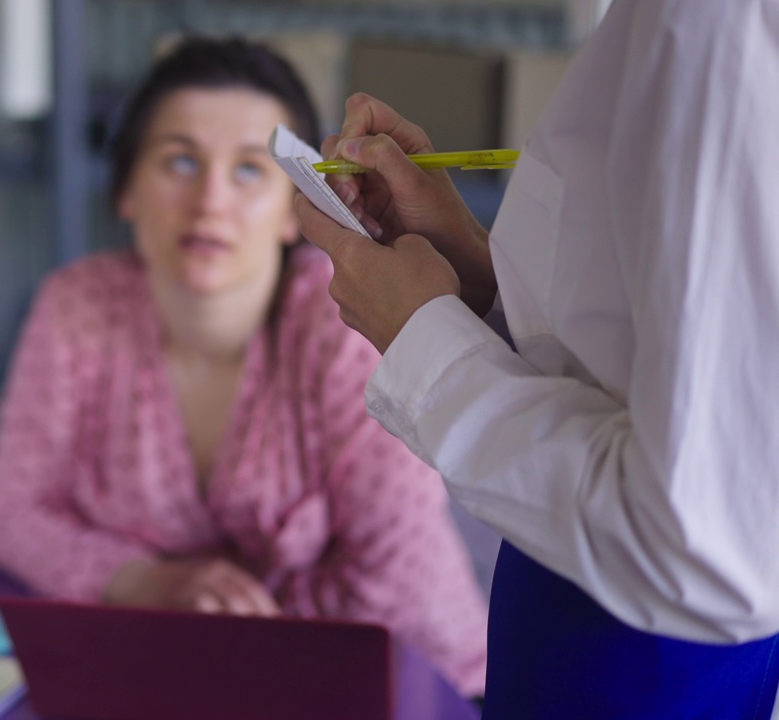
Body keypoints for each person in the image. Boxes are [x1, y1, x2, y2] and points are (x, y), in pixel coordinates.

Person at [296, 1, 779, 717]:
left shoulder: (719, 20)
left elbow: (699, 540)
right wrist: (478, 278)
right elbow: (659, 337)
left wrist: (424, 339)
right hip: (574, 608)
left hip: (644, 656)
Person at [0, 37, 488, 697]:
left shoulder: (347, 322)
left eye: (250, 170)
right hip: (167, 682)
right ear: (126, 190)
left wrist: (217, 628)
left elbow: (397, 577)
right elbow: (15, 508)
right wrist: (138, 581)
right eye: (179, 161)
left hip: (403, 682)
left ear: (295, 209)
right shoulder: (75, 307)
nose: (210, 200)